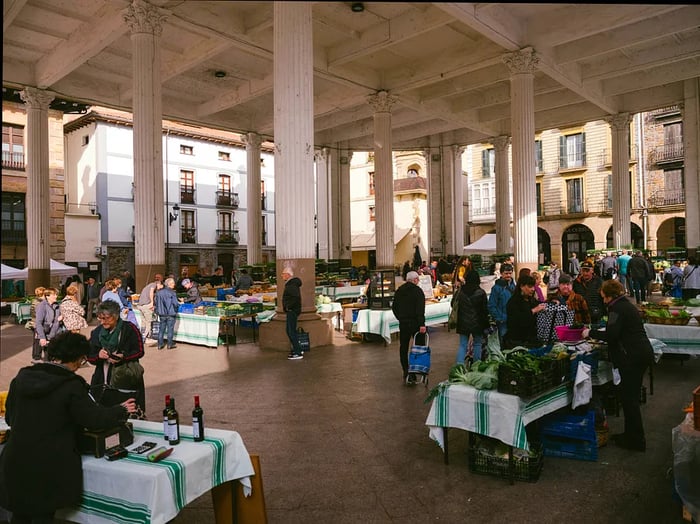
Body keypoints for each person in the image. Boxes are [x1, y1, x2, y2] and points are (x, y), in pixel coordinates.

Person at [0, 332, 137, 524]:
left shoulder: (21, 378)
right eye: (81, 360)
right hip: (47, 467)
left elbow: (10, 418)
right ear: (76, 359)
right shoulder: (71, 385)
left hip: (16, 461)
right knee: (42, 516)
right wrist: (120, 410)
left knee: (19, 515)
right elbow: (93, 419)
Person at [585, 280, 654, 452]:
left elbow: (612, 335)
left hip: (631, 357)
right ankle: (630, 435)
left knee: (629, 400)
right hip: (640, 353)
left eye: (604, 297)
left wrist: (590, 333)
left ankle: (636, 441)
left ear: (609, 295)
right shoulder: (626, 306)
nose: (603, 301)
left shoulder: (616, 309)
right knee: (629, 398)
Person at [88, 300, 146, 410]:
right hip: (103, 380)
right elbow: (90, 356)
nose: (103, 322)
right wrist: (98, 356)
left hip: (127, 379)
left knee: (130, 411)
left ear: (115, 316)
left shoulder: (129, 329)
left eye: (106, 318)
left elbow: (139, 351)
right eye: (101, 318)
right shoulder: (97, 332)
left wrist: (123, 357)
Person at [392, 271, 426, 385]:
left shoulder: (399, 290)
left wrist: (400, 317)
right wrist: (422, 324)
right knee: (418, 346)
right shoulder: (418, 291)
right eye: (418, 279)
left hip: (404, 323)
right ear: (415, 279)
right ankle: (416, 369)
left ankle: (406, 370)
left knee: (404, 346)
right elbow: (420, 309)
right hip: (415, 323)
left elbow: (394, 307)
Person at [454, 270, 489, 364]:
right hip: (477, 322)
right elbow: (485, 310)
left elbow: (453, 304)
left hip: (463, 322)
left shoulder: (460, 291)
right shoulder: (481, 292)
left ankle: (459, 367)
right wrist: (486, 324)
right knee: (477, 344)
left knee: (462, 345)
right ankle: (476, 366)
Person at [504, 275, 547, 349]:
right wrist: (533, 311)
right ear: (521, 286)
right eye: (530, 287)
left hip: (532, 340)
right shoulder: (513, 302)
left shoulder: (531, 300)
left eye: (533, 287)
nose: (533, 289)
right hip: (516, 342)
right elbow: (517, 321)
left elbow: (541, 304)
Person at [487, 263, 515, 342]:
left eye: (510, 273)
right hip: (502, 320)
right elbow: (491, 305)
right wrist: (499, 318)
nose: (508, 275)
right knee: (503, 341)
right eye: (506, 273)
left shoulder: (514, 286)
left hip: (512, 319)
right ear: (501, 273)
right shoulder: (496, 288)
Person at [34, 288, 62, 363]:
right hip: (47, 334)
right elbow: (38, 322)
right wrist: (42, 337)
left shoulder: (57, 305)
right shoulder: (42, 306)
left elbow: (55, 321)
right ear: (47, 296)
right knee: (48, 357)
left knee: (55, 357)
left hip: (56, 334)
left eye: (56, 294)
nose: (56, 296)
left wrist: (60, 319)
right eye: (54, 295)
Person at [282, 267, 304, 360]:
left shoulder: (291, 285)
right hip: (292, 310)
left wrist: (288, 307)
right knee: (290, 330)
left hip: (292, 310)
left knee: (291, 331)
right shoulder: (291, 284)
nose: (282, 275)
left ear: (288, 274)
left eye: (283, 273)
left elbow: (295, 297)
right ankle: (297, 348)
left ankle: (298, 352)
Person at [136, 274, 163, 345]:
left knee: (143, 322)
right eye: (160, 287)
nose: (160, 289)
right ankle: (147, 338)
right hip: (146, 306)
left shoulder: (147, 286)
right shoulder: (153, 285)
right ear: (158, 284)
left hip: (140, 306)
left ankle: (141, 337)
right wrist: (152, 302)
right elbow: (151, 292)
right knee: (148, 322)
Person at [154, 277, 179, 350]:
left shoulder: (159, 292)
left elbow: (156, 302)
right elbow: (175, 303)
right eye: (173, 283)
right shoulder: (172, 293)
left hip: (162, 313)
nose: (174, 284)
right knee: (170, 329)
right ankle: (169, 344)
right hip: (170, 313)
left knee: (161, 329)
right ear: (170, 284)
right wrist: (177, 307)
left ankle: (160, 344)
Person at [28, 286, 46, 364]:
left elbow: (32, 312)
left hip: (34, 322)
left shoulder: (34, 301)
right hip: (38, 323)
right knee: (38, 339)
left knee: (36, 340)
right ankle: (36, 356)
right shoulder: (40, 302)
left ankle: (35, 355)